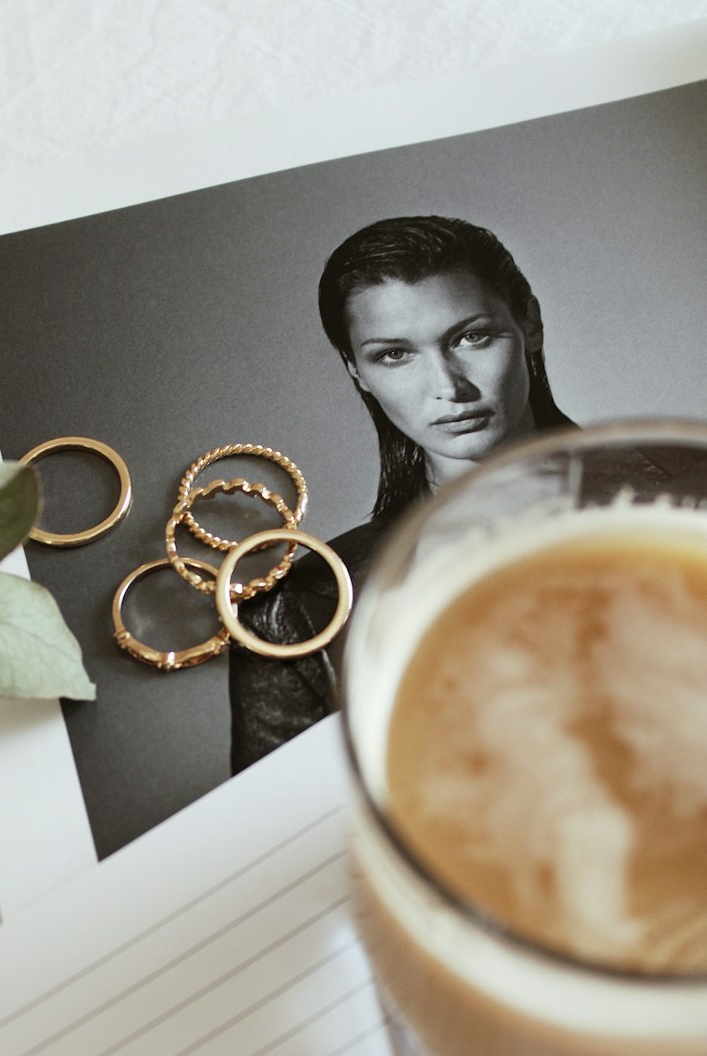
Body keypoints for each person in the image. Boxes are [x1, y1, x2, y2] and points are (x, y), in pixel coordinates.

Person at [228, 214, 574, 772]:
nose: (448, 387)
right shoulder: (298, 612)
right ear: (357, 371)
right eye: (395, 354)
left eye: (471, 336)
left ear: (529, 322)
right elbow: (302, 841)